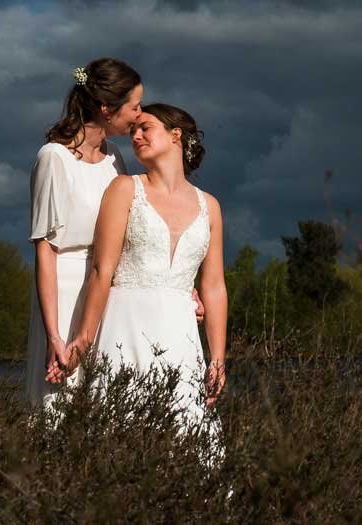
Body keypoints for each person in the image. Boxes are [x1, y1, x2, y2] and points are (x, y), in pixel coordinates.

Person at [66, 102, 228, 440]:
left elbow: (213, 286)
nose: (135, 135)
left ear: (175, 135)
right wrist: (83, 339)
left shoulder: (209, 206)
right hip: (124, 327)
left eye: (145, 128)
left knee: (186, 432)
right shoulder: (125, 189)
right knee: (120, 430)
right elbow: (101, 270)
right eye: (133, 130)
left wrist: (217, 359)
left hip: (180, 336)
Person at [25, 57, 143, 410]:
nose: (139, 114)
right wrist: (54, 335)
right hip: (64, 289)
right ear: (107, 109)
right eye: (134, 106)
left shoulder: (114, 158)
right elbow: (45, 249)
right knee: (58, 400)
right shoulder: (54, 158)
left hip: (107, 288)